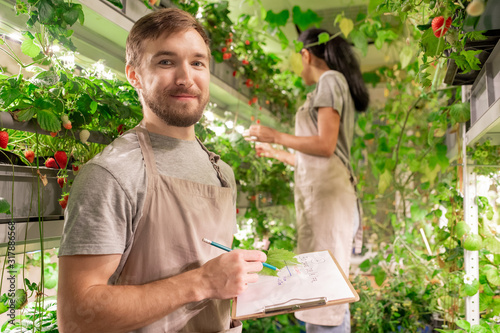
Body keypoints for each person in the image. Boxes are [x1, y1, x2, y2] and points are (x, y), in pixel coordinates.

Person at [57, 8, 267, 333]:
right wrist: (203, 282)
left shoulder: (221, 172)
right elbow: (77, 316)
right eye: (166, 62)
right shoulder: (111, 174)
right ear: (134, 75)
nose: (186, 77)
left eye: (197, 62)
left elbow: (213, 275)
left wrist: (244, 287)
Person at [245, 28, 369, 333]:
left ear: (306, 54)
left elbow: (325, 145)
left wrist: (276, 134)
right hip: (330, 194)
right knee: (330, 291)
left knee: (321, 294)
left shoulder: (329, 80)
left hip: (328, 199)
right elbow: (316, 157)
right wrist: (276, 152)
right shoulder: (332, 84)